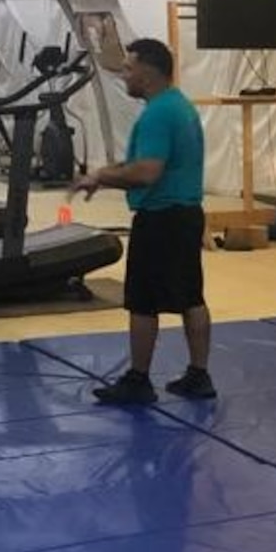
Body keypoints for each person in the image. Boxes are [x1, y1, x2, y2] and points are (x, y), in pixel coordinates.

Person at [73, 37, 213, 406]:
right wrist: (103, 173)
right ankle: (199, 375)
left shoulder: (158, 113)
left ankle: (138, 380)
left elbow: (147, 171)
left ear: (149, 73)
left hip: (162, 218)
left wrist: (101, 177)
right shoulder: (177, 106)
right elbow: (143, 163)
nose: (123, 75)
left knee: (142, 301)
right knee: (190, 295)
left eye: (129, 68)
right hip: (184, 214)